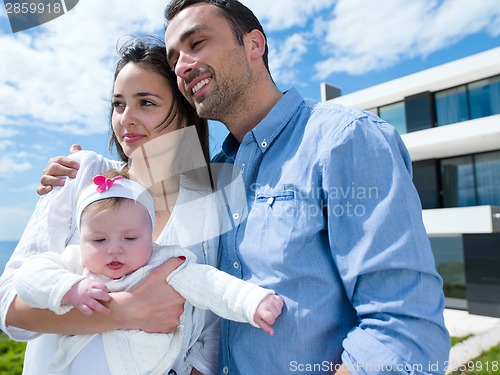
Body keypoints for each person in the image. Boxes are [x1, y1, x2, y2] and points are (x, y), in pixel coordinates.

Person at [36, 1, 451, 374]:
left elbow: (403, 333)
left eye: (196, 42)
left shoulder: (343, 139)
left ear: (255, 44)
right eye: (174, 56)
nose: (181, 64)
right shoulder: (212, 177)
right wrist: (87, 170)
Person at [0, 37, 222, 375]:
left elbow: (209, 335)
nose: (126, 119)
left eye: (146, 103)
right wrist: (125, 310)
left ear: (187, 113)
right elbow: (10, 310)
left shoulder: (207, 204)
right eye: (119, 104)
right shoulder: (83, 174)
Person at [14, 171, 283, 375]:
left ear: (151, 237)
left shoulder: (164, 265)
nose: (114, 250)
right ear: (81, 239)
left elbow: (212, 285)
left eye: (130, 238)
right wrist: (68, 289)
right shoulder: (75, 265)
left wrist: (252, 302)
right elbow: (29, 276)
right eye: (98, 240)